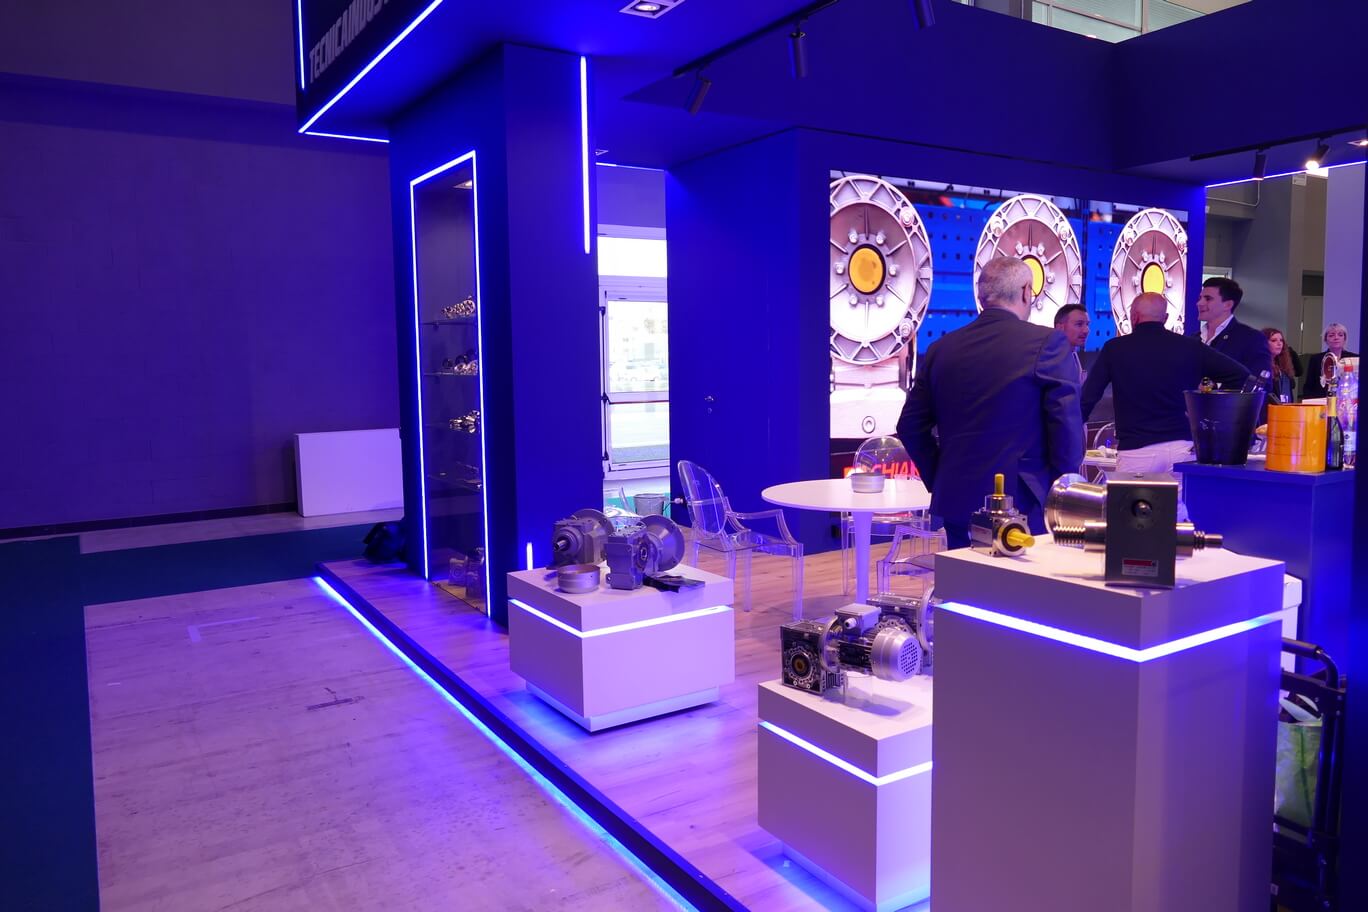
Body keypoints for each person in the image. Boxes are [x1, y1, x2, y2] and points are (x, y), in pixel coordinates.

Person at [897, 257, 1082, 548]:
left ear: (982, 296)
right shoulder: (1048, 343)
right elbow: (1066, 427)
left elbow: (910, 426)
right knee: (1022, 578)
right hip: (1025, 502)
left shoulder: (941, 349)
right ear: (1025, 291)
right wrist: (1061, 489)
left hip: (957, 498)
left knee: (963, 577)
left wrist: (941, 475)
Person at [1082, 292, 1249, 493]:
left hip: (1136, 450)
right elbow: (1240, 375)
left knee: (1127, 510)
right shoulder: (1190, 347)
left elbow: (1089, 396)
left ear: (1134, 317)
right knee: (1181, 510)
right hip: (1183, 448)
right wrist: (1205, 407)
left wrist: (1071, 430)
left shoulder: (1115, 348)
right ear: (1166, 318)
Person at [1197, 277, 1272, 380]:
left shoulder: (1251, 339)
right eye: (1200, 298)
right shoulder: (1194, 339)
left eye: (1208, 299)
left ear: (1228, 305)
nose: (1199, 303)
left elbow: (1260, 384)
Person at [1301, 322, 1358, 400]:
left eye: (1340, 335)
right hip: (1321, 401)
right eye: (1331, 335)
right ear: (1325, 340)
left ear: (1344, 339)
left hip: (1349, 401)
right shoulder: (1316, 359)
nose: (1336, 338)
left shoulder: (1355, 358)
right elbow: (1309, 387)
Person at [1053, 303, 1090, 381]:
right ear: (1060, 327)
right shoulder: (1050, 360)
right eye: (1079, 324)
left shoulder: (1072, 354)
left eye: (1087, 324)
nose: (1086, 330)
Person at [1262, 327, 1298, 404]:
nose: (1279, 343)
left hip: (1285, 408)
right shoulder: (1261, 365)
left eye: (1281, 340)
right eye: (1273, 340)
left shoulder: (1283, 365)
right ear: (1264, 343)